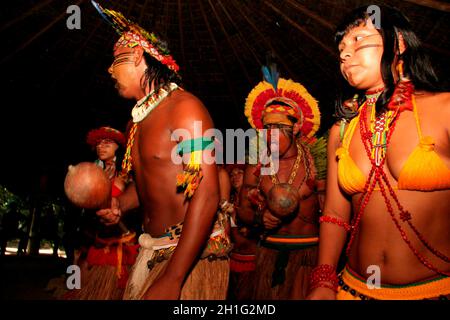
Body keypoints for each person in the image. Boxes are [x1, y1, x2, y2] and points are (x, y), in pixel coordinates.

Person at [308, 6, 450, 300]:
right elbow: (334, 214)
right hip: (352, 289)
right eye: (342, 49)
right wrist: (323, 280)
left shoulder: (445, 109)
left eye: (358, 40)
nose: (345, 54)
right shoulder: (343, 131)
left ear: (399, 43)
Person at [92, 2, 230, 300]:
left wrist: (173, 278)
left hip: (188, 258)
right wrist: (120, 206)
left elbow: (207, 193)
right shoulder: (136, 121)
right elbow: (148, 188)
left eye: (116, 59)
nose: (110, 69)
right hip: (151, 249)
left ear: (138, 55)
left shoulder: (185, 108)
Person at [238, 65, 327, 299]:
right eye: (267, 128)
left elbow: (332, 215)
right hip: (269, 250)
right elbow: (242, 212)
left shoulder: (317, 164)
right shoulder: (257, 167)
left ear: (296, 127)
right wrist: (260, 217)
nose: (271, 135)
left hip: (308, 252)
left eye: (279, 128)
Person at [65, 126, 139, 300]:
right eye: (98, 143)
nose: (101, 146)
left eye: (107, 142)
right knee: (81, 281)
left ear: (118, 147)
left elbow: (132, 201)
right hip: (96, 238)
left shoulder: (126, 174)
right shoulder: (93, 172)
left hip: (122, 240)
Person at [226, 164, 260, 300]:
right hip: (233, 259)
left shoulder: (256, 200)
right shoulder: (230, 200)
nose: (235, 177)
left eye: (239, 173)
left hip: (251, 261)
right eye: (232, 175)